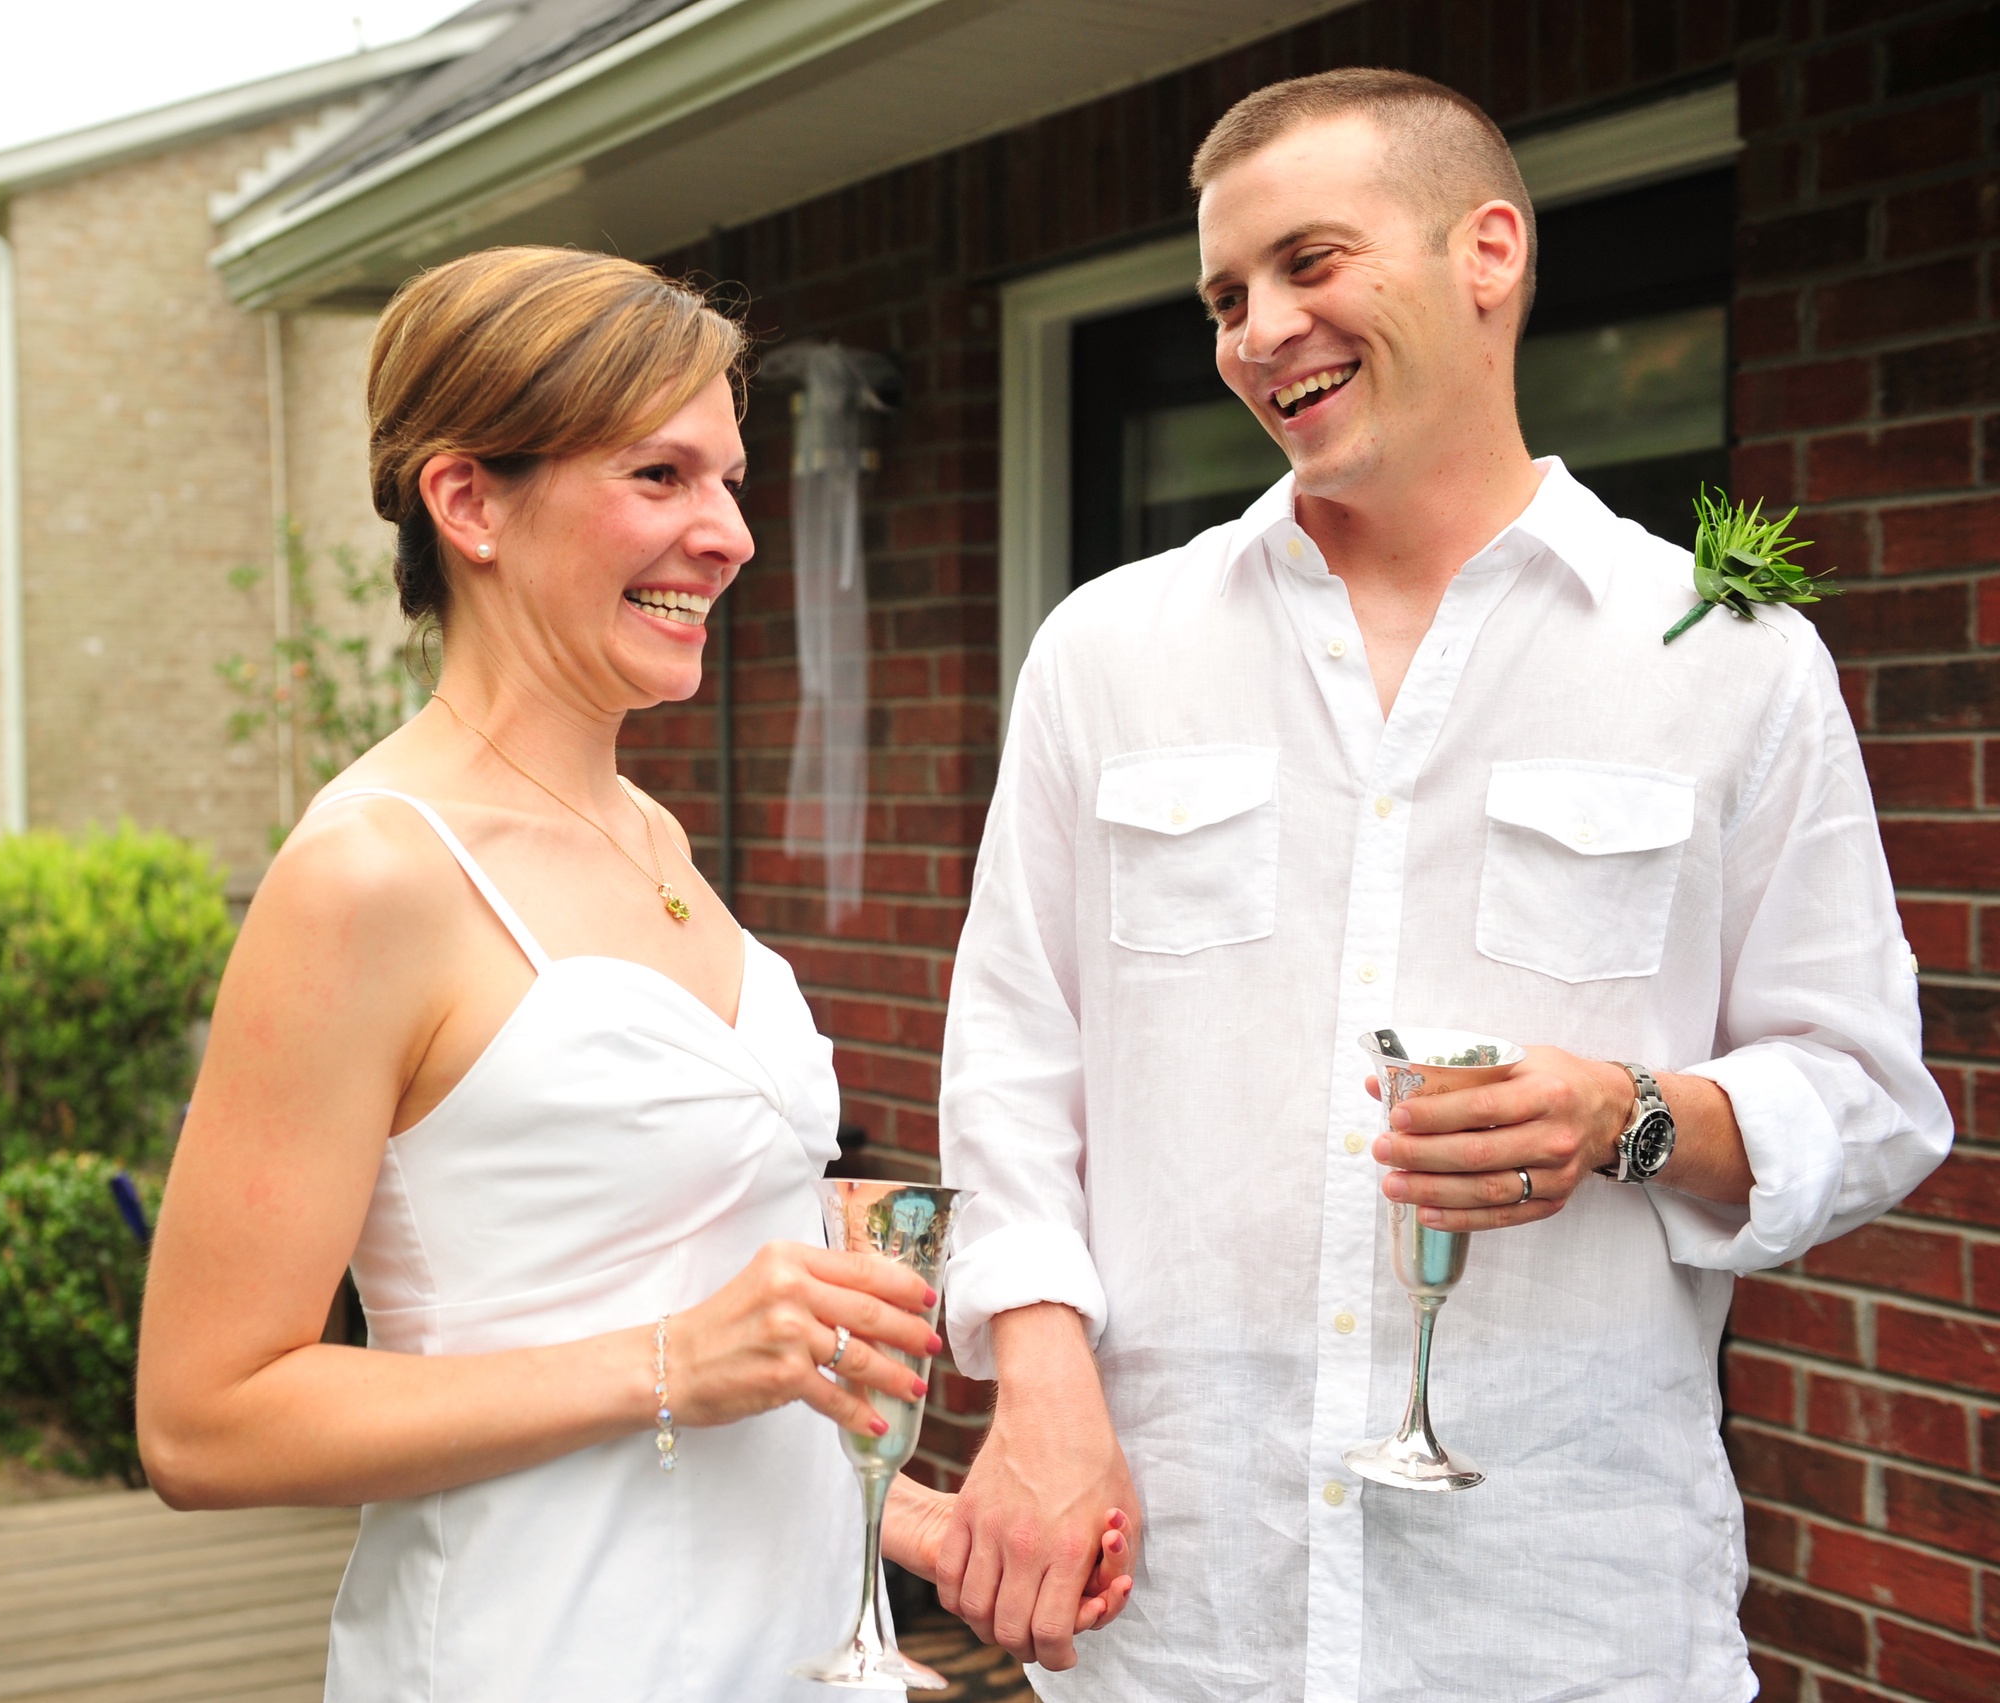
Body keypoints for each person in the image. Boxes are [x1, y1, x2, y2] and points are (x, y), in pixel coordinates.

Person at [934, 69, 1951, 1701]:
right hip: (1181, 1614)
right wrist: (1038, 1386)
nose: (1260, 331)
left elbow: (1872, 1092)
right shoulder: (1107, 651)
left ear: (1488, 254)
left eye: (1310, 262)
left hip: (1561, 1615)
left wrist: (1627, 1114)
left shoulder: (1728, 657)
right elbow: (1009, 1067)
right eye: (1225, 296)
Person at [136, 246, 1127, 1702]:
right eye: (661, 477)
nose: (729, 535)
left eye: (730, 481)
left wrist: (916, 1520)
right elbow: (203, 1422)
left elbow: (709, 1333)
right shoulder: (373, 872)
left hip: (783, 1655)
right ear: (470, 502)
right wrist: (673, 1361)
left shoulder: (650, 830)